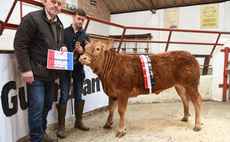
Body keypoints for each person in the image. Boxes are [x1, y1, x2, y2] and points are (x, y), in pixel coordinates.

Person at [13, 0, 67, 141]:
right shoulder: (32, 18)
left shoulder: (59, 24)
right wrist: (26, 69)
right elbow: (20, 44)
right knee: (36, 108)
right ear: (44, 2)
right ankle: (36, 139)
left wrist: (64, 47)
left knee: (47, 106)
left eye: (59, 3)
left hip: (51, 74)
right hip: (36, 74)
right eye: (53, 1)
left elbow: (58, 43)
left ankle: (42, 133)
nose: (56, 5)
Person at [56, 8, 90, 139]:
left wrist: (83, 51)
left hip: (79, 70)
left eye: (82, 20)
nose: (80, 21)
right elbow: (58, 44)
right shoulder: (63, 32)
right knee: (64, 96)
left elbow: (90, 53)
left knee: (79, 95)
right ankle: (61, 127)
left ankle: (78, 122)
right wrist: (62, 46)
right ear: (73, 17)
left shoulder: (85, 36)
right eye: (78, 18)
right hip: (65, 70)